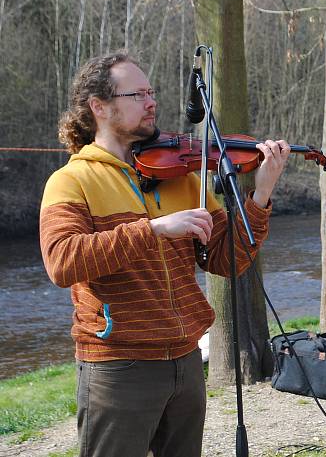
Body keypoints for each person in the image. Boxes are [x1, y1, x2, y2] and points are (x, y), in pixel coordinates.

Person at [39, 52, 290, 457]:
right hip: (118, 365)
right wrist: (153, 229)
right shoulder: (71, 180)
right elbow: (63, 261)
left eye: (151, 91)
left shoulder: (182, 176)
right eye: (137, 94)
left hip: (186, 362)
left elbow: (228, 261)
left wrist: (260, 195)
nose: (152, 102)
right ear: (99, 107)